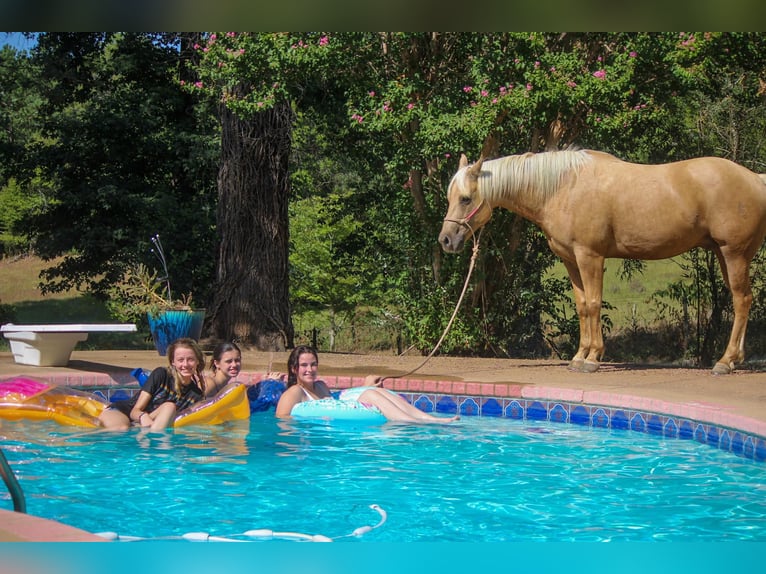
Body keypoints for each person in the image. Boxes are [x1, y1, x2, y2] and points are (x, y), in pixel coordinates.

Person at [275, 345, 459, 423]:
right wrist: (314, 419)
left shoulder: (321, 386)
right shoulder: (294, 392)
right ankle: (414, 422)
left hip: (342, 417)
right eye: (304, 365)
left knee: (372, 390)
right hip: (317, 427)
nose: (310, 369)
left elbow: (338, 405)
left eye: (313, 364)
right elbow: (281, 419)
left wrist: (365, 385)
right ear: (294, 369)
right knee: (371, 394)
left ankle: (428, 419)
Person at [98, 338, 208, 431]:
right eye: (180, 360)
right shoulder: (161, 374)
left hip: (149, 425)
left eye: (190, 360)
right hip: (123, 412)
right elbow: (135, 411)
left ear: (197, 361)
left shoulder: (196, 396)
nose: (185, 364)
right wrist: (143, 417)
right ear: (173, 362)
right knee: (121, 428)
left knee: (169, 407)